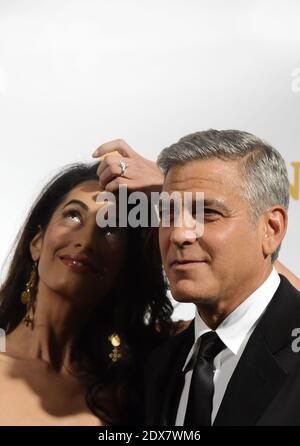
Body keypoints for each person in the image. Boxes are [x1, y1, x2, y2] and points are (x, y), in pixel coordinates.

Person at [140, 129, 300, 426]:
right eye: (168, 214)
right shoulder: (157, 368)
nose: (178, 234)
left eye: (208, 213)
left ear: (272, 229)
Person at [0, 162, 173, 426]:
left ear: (124, 264)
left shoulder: (139, 379)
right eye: (73, 216)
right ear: (37, 243)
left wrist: (169, 190)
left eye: (110, 228)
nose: (87, 239)